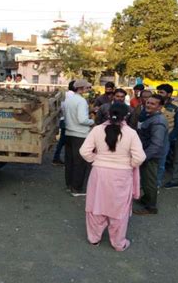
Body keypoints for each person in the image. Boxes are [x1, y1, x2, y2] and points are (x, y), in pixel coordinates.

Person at [80, 103, 146, 251]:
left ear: (109, 114)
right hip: (122, 175)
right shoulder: (131, 133)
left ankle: (94, 238)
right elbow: (140, 157)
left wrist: (96, 159)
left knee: (96, 205)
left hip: (99, 172)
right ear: (126, 116)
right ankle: (118, 243)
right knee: (119, 209)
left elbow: (84, 151)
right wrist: (129, 163)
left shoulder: (97, 130)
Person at [134, 94, 168, 215]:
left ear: (159, 107)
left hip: (150, 156)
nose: (148, 105)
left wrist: (143, 157)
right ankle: (146, 199)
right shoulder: (150, 117)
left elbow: (156, 144)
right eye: (148, 102)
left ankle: (151, 207)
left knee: (149, 181)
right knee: (146, 179)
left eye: (153, 104)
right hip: (147, 153)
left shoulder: (158, 121)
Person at [64, 79, 95, 196]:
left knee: (70, 161)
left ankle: (69, 185)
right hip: (80, 134)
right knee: (80, 162)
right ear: (80, 88)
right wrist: (92, 121)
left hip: (69, 133)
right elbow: (82, 119)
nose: (88, 90)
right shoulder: (81, 101)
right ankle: (76, 188)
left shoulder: (69, 99)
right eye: (87, 88)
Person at [156, 84, 178, 188]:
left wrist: (171, 138)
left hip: (166, 139)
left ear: (169, 94)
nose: (159, 94)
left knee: (161, 163)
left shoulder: (176, 106)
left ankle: (156, 184)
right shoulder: (154, 103)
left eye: (162, 92)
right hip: (153, 137)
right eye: (158, 92)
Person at [52, 81, 76, 165]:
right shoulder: (74, 97)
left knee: (63, 141)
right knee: (68, 141)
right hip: (70, 121)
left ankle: (57, 158)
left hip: (63, 119)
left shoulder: (63, 95)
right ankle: (59, 158)